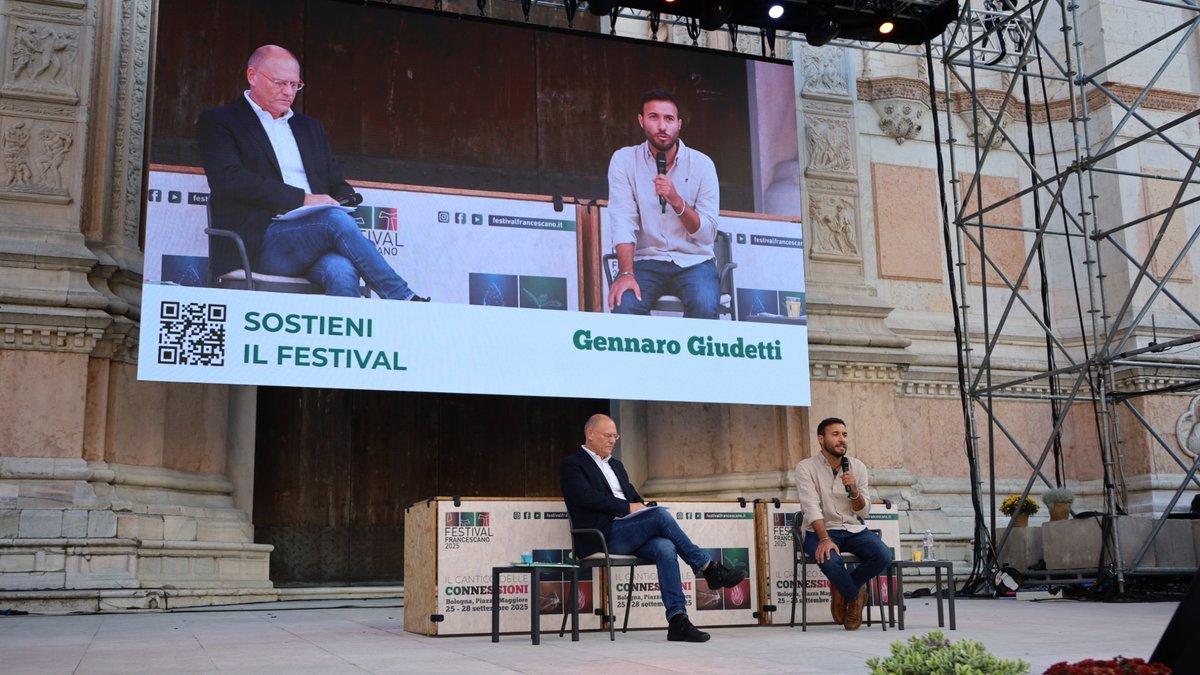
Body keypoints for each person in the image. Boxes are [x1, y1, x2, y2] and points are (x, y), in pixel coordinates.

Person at [197, 45, 427, 300]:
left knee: (341, 270)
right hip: (258, 243)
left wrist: (342, 199)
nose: (288, 92)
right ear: (252, 76)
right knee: (332, 220)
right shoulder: (221, 121)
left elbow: (336, 182)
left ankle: (343, 340)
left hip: (313, 239)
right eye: (279, 83)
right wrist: (305, 200)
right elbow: (229, 179)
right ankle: (401, 297)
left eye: (295, 85)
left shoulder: (310, 128)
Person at [560, 414, 745, 642]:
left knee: (666, 546)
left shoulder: (616, 466)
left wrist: (642, 507)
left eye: (615, 436)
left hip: (630, 532)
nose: (613, 440)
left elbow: (633, 496)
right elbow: (583, 498)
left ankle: (678, 620)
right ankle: (708, 568)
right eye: (608, 435)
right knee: (659, 517)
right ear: (590, 434)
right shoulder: (572, 464)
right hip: (602, 535)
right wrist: (628, 508)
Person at [606, 90, 721, 319]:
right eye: (654, 117)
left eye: (668, 119)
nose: (662, 126)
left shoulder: (702, 165)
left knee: (705, 306)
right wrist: (626, 273)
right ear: (641, 120)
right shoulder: (624, 160)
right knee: (625, 305)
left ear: (679, 124)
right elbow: (623, 221)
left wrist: (677, 201)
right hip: (646, 261)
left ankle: (689, 356)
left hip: (694, 261)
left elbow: (708, 234)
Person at [793, 417, 893, 630]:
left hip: (853, 528)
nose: (841, 440)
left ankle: (842, 589)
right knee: (829, 560)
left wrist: (855, 491)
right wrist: (825, 539)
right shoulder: (806, 467)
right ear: (821, 439)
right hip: (820, 530)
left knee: (883, 555)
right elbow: (811, 507)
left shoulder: (857, 467)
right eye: (835, 434)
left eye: (844, 435)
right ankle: (856, 597)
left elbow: (864, 510)